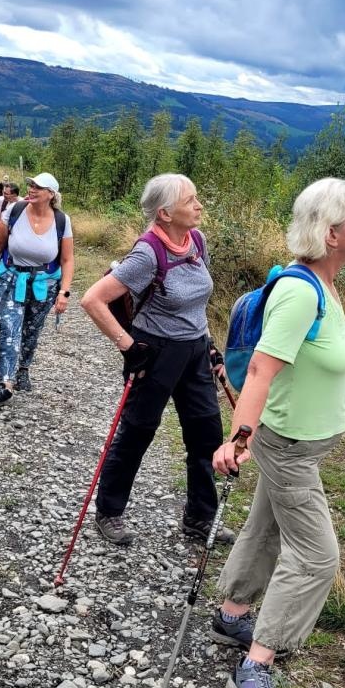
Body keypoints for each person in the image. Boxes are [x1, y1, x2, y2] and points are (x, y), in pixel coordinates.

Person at [211, 178, 345, 688]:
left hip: (301, 443)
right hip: (289, 447)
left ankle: (233, 612)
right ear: (331, 233)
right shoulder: (302, 292)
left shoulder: (325, 285)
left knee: (267, 526)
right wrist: (239, 437)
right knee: (317, 557)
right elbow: (261, 368)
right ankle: (257, 663)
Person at [80, 173, 229, 549]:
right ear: (164, 213)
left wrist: (210, 344)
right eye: (190, 201)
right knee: (137, 431)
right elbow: (93, 300)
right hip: (155, 352)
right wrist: (128, 347)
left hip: (195, 350)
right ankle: (109, 511)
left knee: (207, 433)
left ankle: (200, 517)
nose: (199, 206)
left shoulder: (196, 241)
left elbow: (198, 301)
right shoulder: (147, 254)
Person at [0, 172, 74, 405]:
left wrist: (64, 292)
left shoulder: (62, 221)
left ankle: (23, 369)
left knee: (31, 329)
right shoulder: (16, 211)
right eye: (31, 185)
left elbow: (67, 259)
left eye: (38, 187)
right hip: (12, 278)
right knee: (9, 328)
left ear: (51, 194)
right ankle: (5, 384)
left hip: (44, 284)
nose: (31, 189)